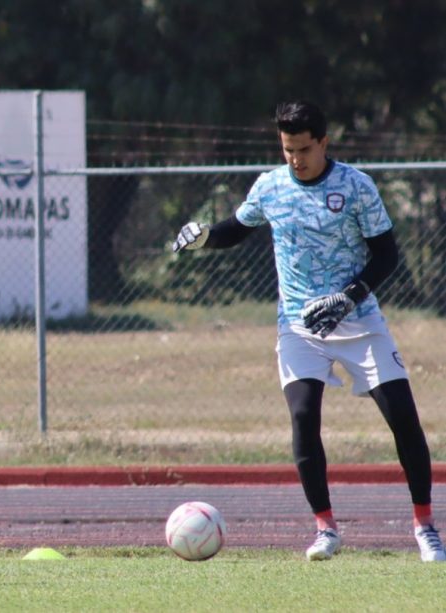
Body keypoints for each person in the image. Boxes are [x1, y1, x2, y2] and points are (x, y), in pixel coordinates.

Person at [172, 100, 445, 562]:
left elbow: (387, 256)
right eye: (287, 149)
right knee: (302, 418)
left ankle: (425, 526)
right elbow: (236, 229)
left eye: (303, 148)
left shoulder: (356, 187)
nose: (295, 158)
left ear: (324, 142)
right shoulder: (271, 187)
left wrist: (348, 297)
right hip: (299, 325)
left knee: (402, 416)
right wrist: (205, 238)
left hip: (357, 318)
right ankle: (326, 529)